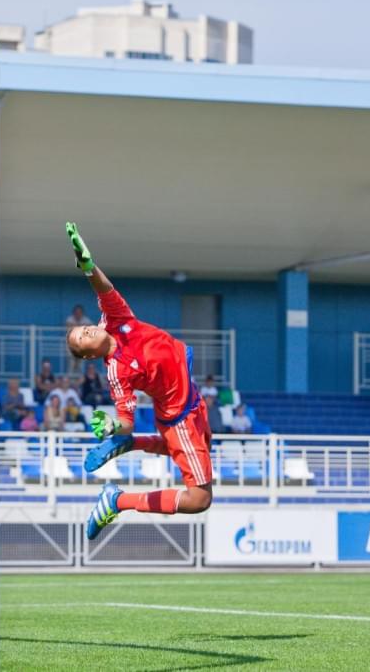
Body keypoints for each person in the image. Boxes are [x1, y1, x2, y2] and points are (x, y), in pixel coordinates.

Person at [63, 223, 213, 540]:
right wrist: (114, 429)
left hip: (190, 397)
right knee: (199, 499)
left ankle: (136, 446)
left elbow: (103, 289)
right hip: (180, 415)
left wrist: (88, 266)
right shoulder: (116, 371)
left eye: (84, 329)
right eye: (81, 339)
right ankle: (118, 500)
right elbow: (126, 418)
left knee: (195, 452)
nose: (86, 331)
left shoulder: (115, 320)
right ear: (89, 356)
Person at [65, 304, 94, 376]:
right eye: (76, 312)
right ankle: (70, 378)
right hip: (71, 345)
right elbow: (69, 326)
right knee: (71, 363)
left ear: (82, 313)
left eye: (79, 312)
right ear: (74, 313)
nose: (78, 314)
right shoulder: (70, 319)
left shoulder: (86, 319)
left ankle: (80, 379)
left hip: (82, 345)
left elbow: (91, 327)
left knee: (80, 364)